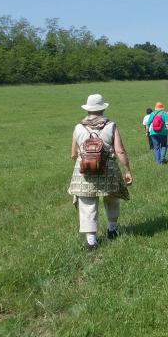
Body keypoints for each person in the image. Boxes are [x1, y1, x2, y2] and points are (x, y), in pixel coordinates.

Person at [68, 93, 133, 251]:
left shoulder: (78, 127)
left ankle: (91, 242)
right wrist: (127, 170)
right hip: (108, 169)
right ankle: (111, 230)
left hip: (84, 172)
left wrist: (86, 163)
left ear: (88, 109)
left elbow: (73, 154)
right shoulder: (111, 126)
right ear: (103, 109)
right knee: (111, 199)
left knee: (87, 204)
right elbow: (120, 151)